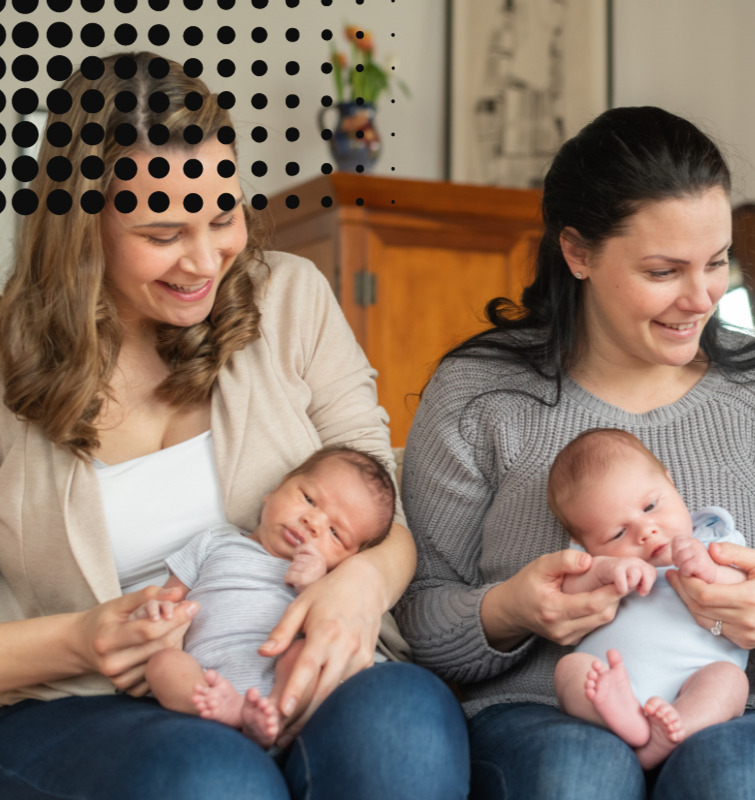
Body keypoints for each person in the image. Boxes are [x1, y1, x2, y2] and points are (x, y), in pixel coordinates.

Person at [0, 52, 468, 799]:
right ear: (81, 224)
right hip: (83, 707)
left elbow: (389, 511)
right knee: (214, 777)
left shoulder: (290, 300)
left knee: (403, 730)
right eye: (162, 233)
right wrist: (77, 639)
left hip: (293, 657)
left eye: (223, 216)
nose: (205, 260)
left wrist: (362, 587)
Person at [398, 105, 755, 799]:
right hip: (546, 716)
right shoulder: (480, 394)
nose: (701, 298)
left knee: (732, 778)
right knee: (580, 774)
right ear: (578, 253)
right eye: (663, 270)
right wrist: (511, 610)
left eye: (717, 263)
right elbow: (418, 619)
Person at [134, 445, 397, 747]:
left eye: (336, 533)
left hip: (280, 680)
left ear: (349, 558)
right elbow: (170, 594)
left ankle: (275, 714)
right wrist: (156, 609)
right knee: (163, 663)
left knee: (305, 658)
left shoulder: (329, 580)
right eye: (309, 499)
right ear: (275, 488)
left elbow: (328, 624)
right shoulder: (215, 540)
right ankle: (217, 710)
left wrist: (313, 586)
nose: (314, 522)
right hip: (204, 675)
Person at [547, 428, 750, 770]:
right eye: (617, 533)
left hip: (697, 674)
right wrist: (604, 572)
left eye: (651, 506)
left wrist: (708, 569)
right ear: (585, 542)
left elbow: (747, 588)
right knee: (570, 669)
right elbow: (563, 600)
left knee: (730, 681)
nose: (646, 531)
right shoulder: (591, 563)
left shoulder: (714, 539)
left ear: (671, 482)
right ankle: (627, 721)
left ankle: (679, 727)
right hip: (612, 680)